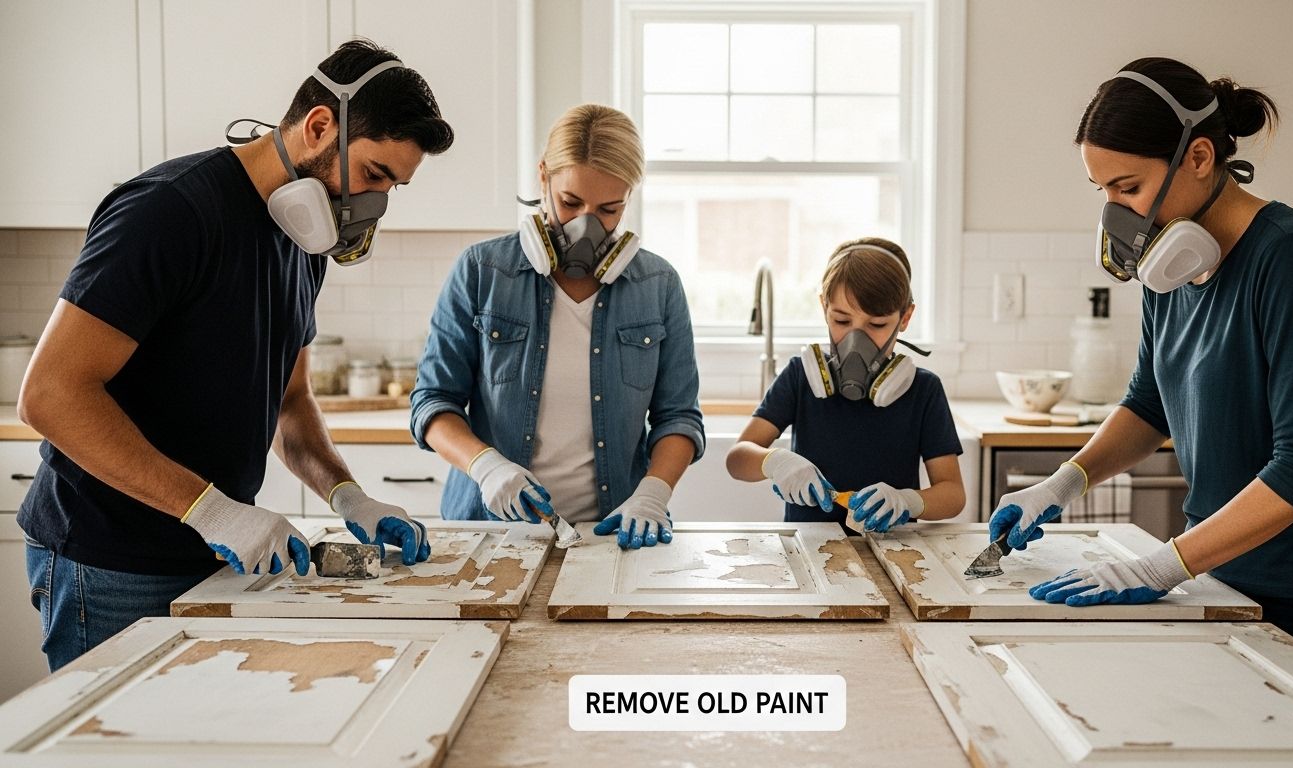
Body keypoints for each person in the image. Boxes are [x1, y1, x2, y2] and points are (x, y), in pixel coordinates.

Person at [16, 39, 450, 671]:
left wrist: (348, 496)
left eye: (392, 186)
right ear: (320, 126)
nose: (375, 201)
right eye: (375, 174)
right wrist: (216, 510)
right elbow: (50, 395)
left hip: (209, 554)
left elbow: (291, 399)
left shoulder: (304, 238)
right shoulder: (170, 210)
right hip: (110, 562)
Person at [990, 57, 1293, 683]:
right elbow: (1149, 401)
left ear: (1199, 157)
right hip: (1222, 567)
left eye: (1128, 187)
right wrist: (1063, 484)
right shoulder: (1168, 261)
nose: (1117, 213)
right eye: (1104, 192)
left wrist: (1161, 566)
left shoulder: (1292, 257)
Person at [411, 104, 704, 550]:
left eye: (609, 208)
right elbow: (432, 402)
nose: (587, 224)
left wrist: (652, 494)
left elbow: (678, 417)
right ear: (543, 178)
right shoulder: (481, 271)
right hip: (489, 531)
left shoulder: (658, 285)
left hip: (611, 534)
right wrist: (486, 466)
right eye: (570, 202)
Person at [726, 238, 965, 532]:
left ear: (905, 318)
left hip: (894, 552)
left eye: (876, 325)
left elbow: (953, 494)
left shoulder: (923, 390)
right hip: (809, 548)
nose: (856, 341)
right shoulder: (799, 376)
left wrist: (908, 501)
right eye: (841, 320)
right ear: (823, 305)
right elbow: (737, 459)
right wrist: (775, 462)